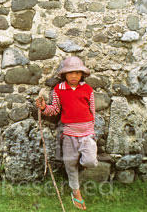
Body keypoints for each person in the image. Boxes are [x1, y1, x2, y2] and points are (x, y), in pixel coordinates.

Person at [35, 56, 98, 210]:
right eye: (70, 73)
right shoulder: (59, 90)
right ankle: (76, 192)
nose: (74, 76)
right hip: (69, 133)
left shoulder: (87, 89)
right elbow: (55, 109)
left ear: (82, 74)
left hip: (86, 132)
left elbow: (92, 110)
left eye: (77, 73)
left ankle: (80, 164)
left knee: (90, 161)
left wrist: (91, 128)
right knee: (69, 164)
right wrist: (43, 108)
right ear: (64, 75)